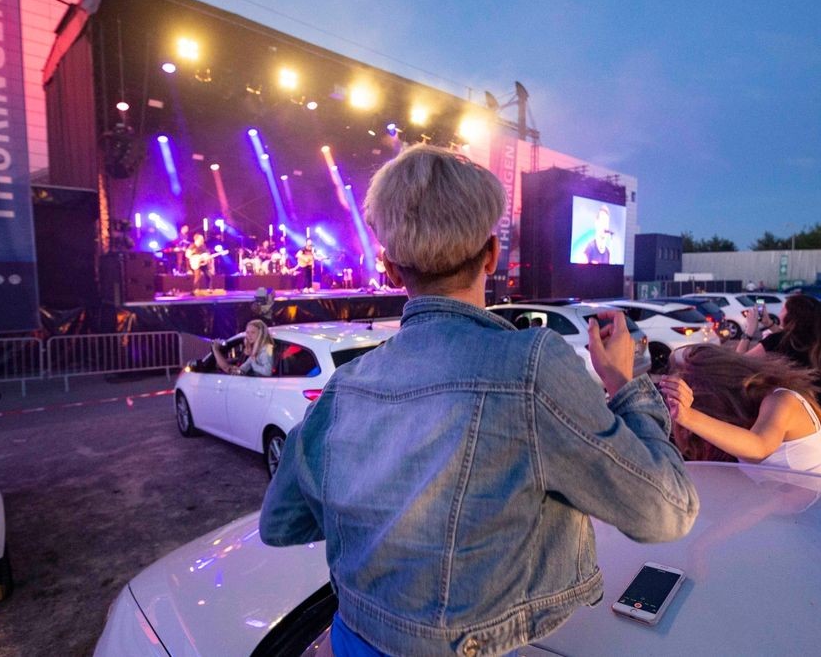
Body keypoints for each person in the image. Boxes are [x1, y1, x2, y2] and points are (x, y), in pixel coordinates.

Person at [259, 144, 698, 657]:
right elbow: (667, 509)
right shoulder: (531, 368)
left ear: (391, 271)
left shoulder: (344, 386)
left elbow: (281, 523)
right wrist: (626, 384)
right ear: (491, 254)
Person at [661, 344, 821, 475]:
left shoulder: (783, 401)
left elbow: (760, 447)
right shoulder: (742, 422)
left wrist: (688, 416)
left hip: (807, 518)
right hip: (782, 513)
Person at [737, 293, 821, 377]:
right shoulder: (816, 340)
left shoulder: (774, 341)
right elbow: (788, 338)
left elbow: (738, 363)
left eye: (783, 309)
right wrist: (768, 323)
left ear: (791, 316)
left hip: (780, 395)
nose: (780, 313)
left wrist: (749, 330)